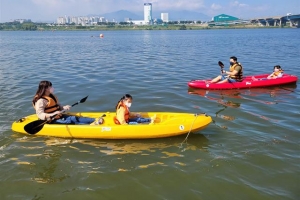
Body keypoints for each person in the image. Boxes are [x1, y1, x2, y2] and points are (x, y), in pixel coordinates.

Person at [32, 80, 103, 125]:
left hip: (59, 116)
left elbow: (58, 105)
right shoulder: (40, 101)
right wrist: (53, 114)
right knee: (70, 122)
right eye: (50, 87)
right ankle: (92, 126)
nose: (52, 88)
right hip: (50, 120)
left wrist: (64, 107)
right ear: (46, 89)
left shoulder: (52, 96)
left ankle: (94, 120)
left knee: (74, 118)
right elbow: (40, 114)